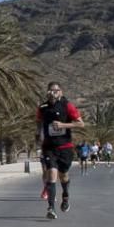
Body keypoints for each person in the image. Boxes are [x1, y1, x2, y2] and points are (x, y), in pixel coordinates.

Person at [36, 82, 85, 218]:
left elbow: (81, 123)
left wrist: (63, 124)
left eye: (55, 91)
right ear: (47, 92)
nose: (53, 93)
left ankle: (65, 196)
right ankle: (51, 208)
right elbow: (39, 121)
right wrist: (39, 134)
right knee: (51, 174)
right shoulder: (43, 107)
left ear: (61, 92)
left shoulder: (67, 105)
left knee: (63, 175)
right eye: (50, 91)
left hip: (65, 147)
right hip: (49, 147)